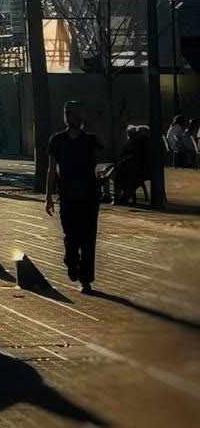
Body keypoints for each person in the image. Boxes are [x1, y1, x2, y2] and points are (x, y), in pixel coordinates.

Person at [45, 101, 102, 294]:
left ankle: (86, 280)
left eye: (76, 115)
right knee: (71, 235)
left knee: (88, 238)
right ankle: (71, 261)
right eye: (69, 114)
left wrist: (89, 122)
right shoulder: (57, 140)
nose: (73, 118)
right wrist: (48, 196)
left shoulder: (89, 139)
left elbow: (105, 142)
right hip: (67, 194)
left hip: (89, 194)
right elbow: (52, 169)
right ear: (65, 117)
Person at [111, 124, 151, 205]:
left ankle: (122, 194)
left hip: (142, 169)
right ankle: (121, 194)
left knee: (122, 173)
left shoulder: (144, 143)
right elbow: (125, 155)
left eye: (138, 133)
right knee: (120, 172)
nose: (136, 134)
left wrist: (125, 161)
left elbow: (138, 157)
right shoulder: (136, 142)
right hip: (136, 167)